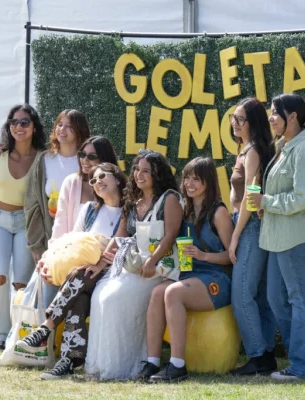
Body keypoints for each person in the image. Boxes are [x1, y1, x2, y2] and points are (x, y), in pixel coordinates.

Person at [15, 163, 126, 379]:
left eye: (103, 176)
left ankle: (46, 329)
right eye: (93, 180)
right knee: (79, 293)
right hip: (83, 276)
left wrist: (99, 264)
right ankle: (67, 361)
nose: (98, 182)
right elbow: (71, 243)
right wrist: (50, 260)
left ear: (119, 179)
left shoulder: (129, 211)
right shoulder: (89, 210)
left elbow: (121, 243)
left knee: (80, 276)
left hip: (112, 273)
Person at [247, 93, 305, 381]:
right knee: (277, 299)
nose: (270, 118)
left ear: (292, 116)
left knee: (297, 298)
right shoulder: (286, 146)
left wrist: (267, 203)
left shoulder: (304, 150)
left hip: (295, 237)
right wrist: (262, 207)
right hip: (279, 236)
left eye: (274, 113)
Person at [84, 150, 183, 381]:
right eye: (137, 169)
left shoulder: (169, 198)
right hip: (134, 268)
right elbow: (118, 238)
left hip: (160, 270)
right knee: (101, 294)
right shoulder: (133, 201)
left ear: (157, 173)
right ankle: (100, 366)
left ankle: (124, 366)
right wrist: (101, 263)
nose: (139, 174)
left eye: (146, 170)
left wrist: (152, 260)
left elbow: (170, 235)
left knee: (113, 299)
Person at [134, 157, 234, 383]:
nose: (189, 183)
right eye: (187, 177)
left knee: (172, 292)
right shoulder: (184, 210)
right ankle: (152, 362)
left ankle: (178, 365)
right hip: (188, 275)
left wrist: (204, 256)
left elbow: (231, 256)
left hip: (216, 278)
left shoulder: (218, 212)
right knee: (158, 291)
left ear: (208, 182)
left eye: (196, 179)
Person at [0, 104, 47, 350]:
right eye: (14, 122)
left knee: (21, 282)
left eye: (24, 122)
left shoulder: (41, 158)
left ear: (34, 126)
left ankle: (19, 332)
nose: (18, 126)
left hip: (25, 222)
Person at [227, 97, 277, 376]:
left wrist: (235, 235)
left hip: (250, 226)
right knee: (258, 294)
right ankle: (266, 353)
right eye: (233, 118)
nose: (235, 123)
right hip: (249, 224)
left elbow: (249, 195)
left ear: (253, 122)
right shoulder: (247, 150)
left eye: (240, 119)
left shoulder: (254, 151)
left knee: (242, 294)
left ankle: (259, 355)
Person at [24, 109, 91, 306]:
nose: (63, 130)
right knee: (45, 282)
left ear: (80, 131)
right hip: (48, 236)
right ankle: (37, 330)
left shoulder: (87, 160)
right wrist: (36, 243)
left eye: (69, 126)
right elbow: (33, 203)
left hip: (79, 241)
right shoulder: (45, 159)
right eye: (60, 124)